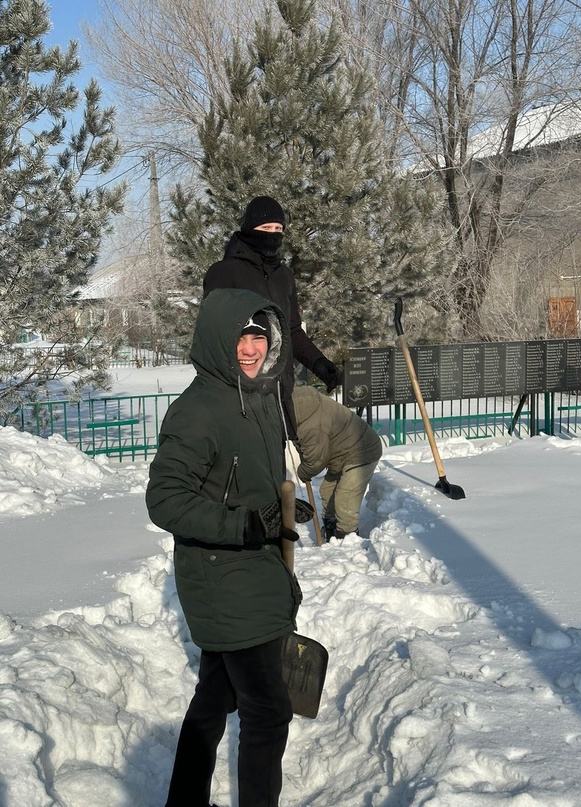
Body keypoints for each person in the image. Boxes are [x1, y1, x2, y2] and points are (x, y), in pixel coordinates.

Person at [146, 288, 304, 807]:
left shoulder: (255, 399)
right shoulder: (199, 410)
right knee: (266, 710)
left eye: (258, 336)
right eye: (240, 335)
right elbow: (165, 500)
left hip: (249, 570)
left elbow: (244, 482)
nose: (250, 347)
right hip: (224, 576)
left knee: (215, 697)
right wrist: (241, 527)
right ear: (217, 339)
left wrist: (281, 514)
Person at [203, 195, 342, 437]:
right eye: (266, 227)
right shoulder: (224, 273)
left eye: (279, 228)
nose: (273, 233)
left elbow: (292, 330)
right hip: (242, 394)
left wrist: (319, 363)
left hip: (279, 389)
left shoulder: (284, 276)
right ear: (249, 229)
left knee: (278, 466)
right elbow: (214, 337)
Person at [292, 384, 383, 541]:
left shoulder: (310, 424)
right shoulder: (300, 404)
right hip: (340, 454)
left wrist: (303, 472)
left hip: (362, 451)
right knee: (327, 491)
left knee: (345, 498)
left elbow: (316, 460)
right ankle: (331, 528)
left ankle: (346, 538)